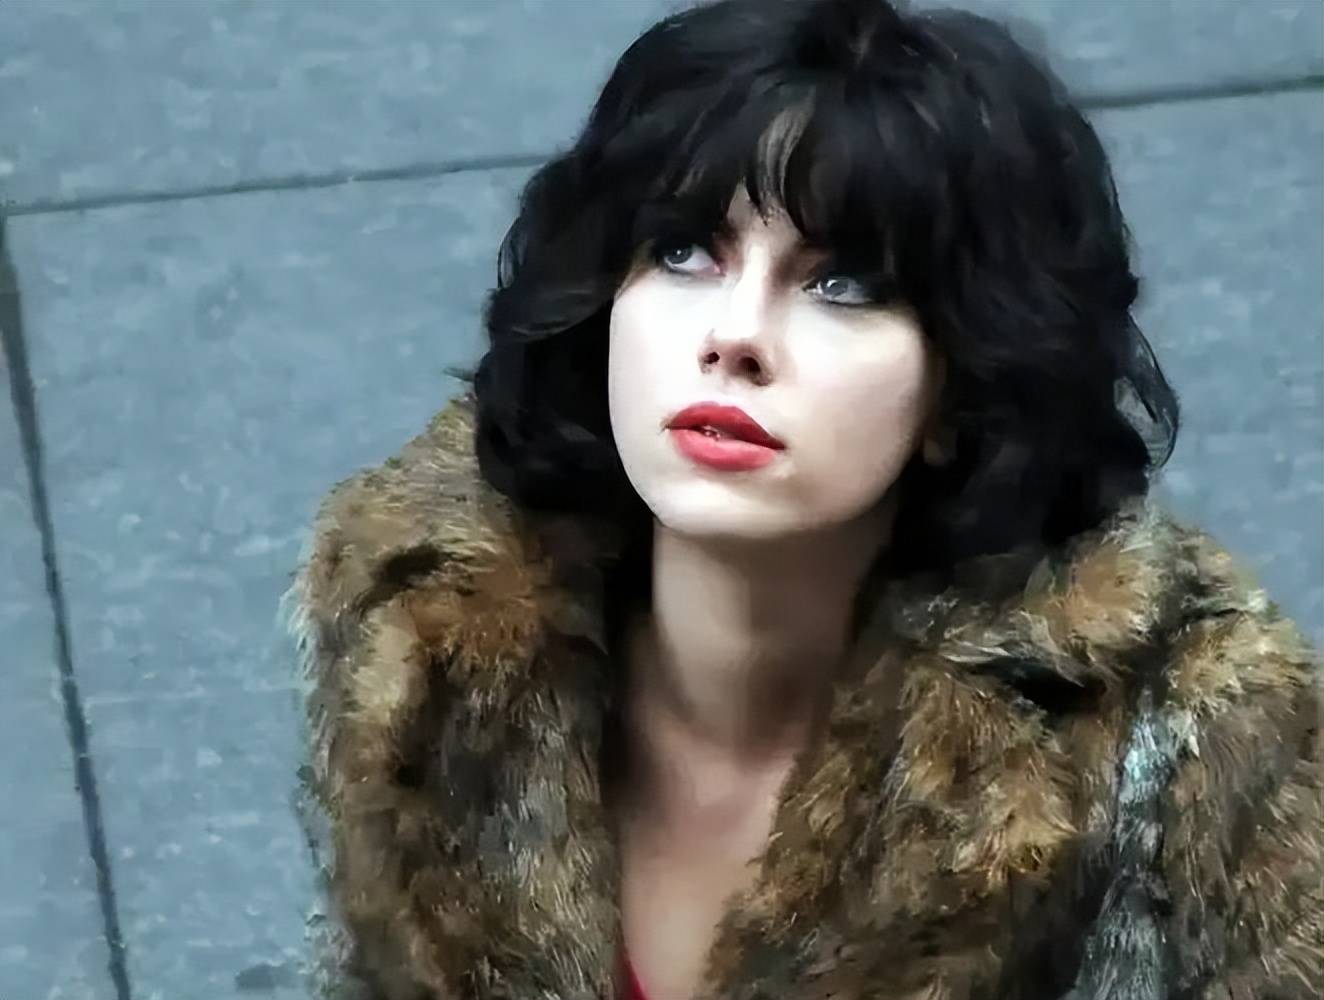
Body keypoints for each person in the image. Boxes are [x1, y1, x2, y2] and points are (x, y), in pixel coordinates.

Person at [283, 0, 1323, 997]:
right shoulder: (426, 643)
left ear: (966, 379)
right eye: (684, 251)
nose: (734, 334)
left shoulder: (1194, 745)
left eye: (843, 285)